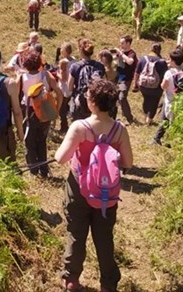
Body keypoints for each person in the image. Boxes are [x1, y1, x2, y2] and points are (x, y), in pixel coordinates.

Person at [55, 78, 133, 292]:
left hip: (78, 188)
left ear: (92, 103)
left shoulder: (80, 127)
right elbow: (128, 162)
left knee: (76, 233)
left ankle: (71, 280)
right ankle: (108, 284)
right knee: (104, 237)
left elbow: (60, 158)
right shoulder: (119, 129)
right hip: (106, 193)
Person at [18, 48, 63, 177]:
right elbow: (59, 93)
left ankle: (33, 170)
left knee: (30, 142)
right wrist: (56, 110)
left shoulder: (21, 78)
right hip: (45, 109)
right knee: (42, 140)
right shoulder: (46, 75)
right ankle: (44, 169)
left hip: (29, 111)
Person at [153, 48, 183, 146]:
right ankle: (158, 138)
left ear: (173, 61)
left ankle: (165, 140)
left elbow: (163, 86)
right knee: (173, 121)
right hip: (181, 102)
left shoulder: (169, 73)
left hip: (169, 100)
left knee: (165, 120)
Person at [68, 39, 106, 121]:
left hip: (79, 103)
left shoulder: (75, 66)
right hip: (95, 102)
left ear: (80, 50)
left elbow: (69, 88)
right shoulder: (100, 66)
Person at [134, 43, 168, 126]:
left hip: (143, 85)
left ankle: (145, 116)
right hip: (156, 87)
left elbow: (137, 73)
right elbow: (165, 75)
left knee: (146, 100)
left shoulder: (143, 59)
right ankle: (149, 120)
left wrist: (135, 84)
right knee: (154, 102)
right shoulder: (162, 62)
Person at [114, 36, 138, 125]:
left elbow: (130, 61)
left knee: (122, 97)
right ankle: (118, 116)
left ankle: (129, 118)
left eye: (122, 43)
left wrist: (121, 54)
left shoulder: (131, 53)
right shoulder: (121, 52)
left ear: (128, 43)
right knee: (116, 98)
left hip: (126, 79)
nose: (121, 45)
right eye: (120, 43)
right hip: (117, 78)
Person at [57, 42, 76, 133]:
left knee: (62, 108)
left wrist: (56, 74)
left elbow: (63, 78)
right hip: (72, 86)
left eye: (61, 49)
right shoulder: (74, 60)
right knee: (66, 104)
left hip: (64, 88)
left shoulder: (63, 62)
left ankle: (64, 126)